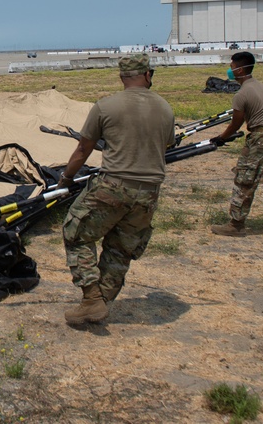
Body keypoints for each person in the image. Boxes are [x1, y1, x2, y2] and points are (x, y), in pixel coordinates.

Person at [57, 54, 174, 325]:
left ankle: (91, 298)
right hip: (149, 193)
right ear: (147, 75)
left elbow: (83, 149)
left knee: (76, 233)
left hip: (113, 186)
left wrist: (66, 178)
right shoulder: (166, 108)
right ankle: (101, 302)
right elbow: (165, 146)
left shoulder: (105, 106)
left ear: (121, 77)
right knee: (121, 249)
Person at [209, 51, 263, 236]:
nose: (230, 70)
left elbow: (236, 123)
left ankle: (236, 224)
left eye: (232, 67)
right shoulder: (259, 85)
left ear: (239, 69)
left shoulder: (242, 93)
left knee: (245, 179)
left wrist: (221, 137)